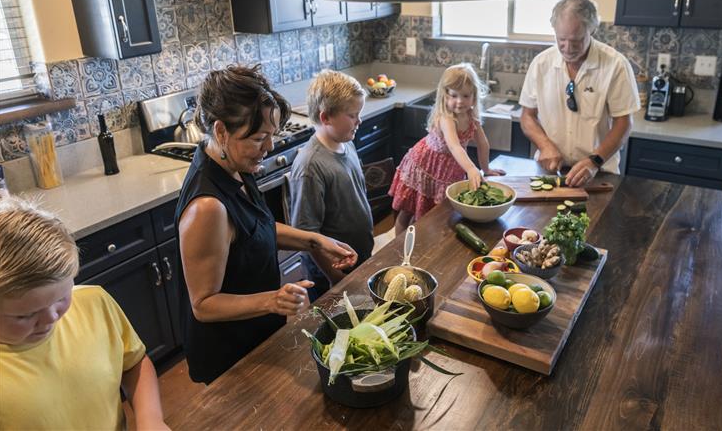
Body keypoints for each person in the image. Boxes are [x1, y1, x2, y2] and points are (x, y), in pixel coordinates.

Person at [176, 65, 358, 384]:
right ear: (221, 131)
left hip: (258, 332)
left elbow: (253, 228)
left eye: (271, 136)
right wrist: (272, 300)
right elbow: (203, 304)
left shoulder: (233, 163)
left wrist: (313, 240)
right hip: (230, 355)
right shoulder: (208, 208)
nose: (270, 147)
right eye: (261, 138)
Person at [0, 195, 168, 430]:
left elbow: (134, 363)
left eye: (61, 298)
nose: (52, 318)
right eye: (25, 316)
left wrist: (150, 420)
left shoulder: (92, 302)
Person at [519, 0, 640, 187]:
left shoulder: (615, 65)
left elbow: (623, 123)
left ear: (591, 29)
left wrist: (594, 161)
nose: (567, 48)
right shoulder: (541, 63)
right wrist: (545, 145)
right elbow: (527, 116)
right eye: (561, 39)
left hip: (599, 174)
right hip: (550, 171)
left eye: (576, 41)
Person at [389, 63, 505, 235]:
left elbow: (483, 144)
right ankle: (397, 246)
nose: (459, 101)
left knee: (434, 215)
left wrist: (486, 169)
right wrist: (472, 168)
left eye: (465, 95)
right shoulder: (446, 118)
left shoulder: (471, 117)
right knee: (407, 212)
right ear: (444, 95)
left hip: (448, 172)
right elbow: (454, 146)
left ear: (474, 96)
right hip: (424, 166)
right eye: (454, 95)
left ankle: (423, 244)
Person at [289, 70, 373, 300]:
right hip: (331, 272)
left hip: (357, 258)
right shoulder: (310, 166)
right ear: (325, 117)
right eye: (353, 115)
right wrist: (336, 279)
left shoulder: (345, 141)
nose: (359, 121)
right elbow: (307, 234)